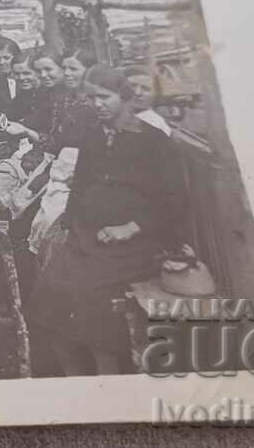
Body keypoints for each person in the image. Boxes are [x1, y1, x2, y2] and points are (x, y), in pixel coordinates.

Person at [27, 65, 188, 376]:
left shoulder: (153, 141)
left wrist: (131, 228)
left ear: (124, 97)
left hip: (136, 244)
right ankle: (75, 375)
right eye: (90, 98)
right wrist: (69, 223)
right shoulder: (93, 135)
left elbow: (175, 202)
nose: (96, 104)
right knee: (47, 295)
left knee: (89, 302)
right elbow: (82, 183)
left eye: (104, 97)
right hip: (88, 237)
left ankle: (107, 374)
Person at [124, 66, 172, 137]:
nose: (138, 93)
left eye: (145, 88)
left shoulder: (157, 125)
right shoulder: (109, 113)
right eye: (132, 86)